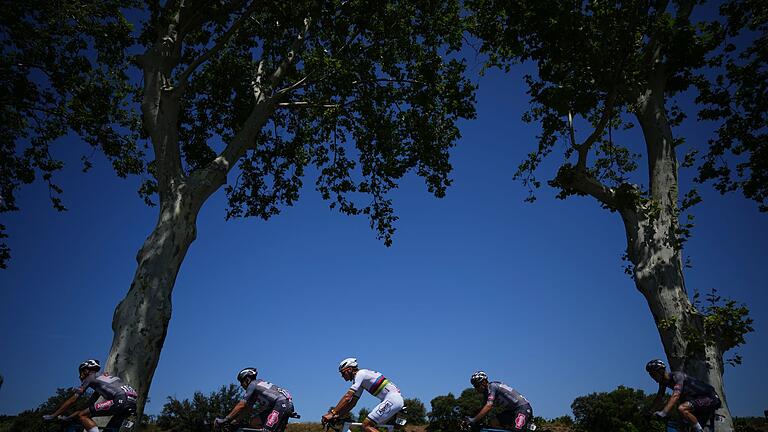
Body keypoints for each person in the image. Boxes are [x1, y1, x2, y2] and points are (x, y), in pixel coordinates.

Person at [42, 359, 137, 432]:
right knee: (110, 424)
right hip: (131, 400)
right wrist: (69, 418)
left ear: (86, 370)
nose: (80, 376)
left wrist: (53, 415)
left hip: (120, 398)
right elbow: (89, 405)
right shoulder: (102, 379)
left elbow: (72, 400)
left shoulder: (90, 378)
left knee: (83, 416)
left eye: (81, 372)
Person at [322, 358, 404, 432]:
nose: (342, 376)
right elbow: (352, 403)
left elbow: (347, 397)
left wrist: (333, 413)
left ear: (350, 370)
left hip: (392, 399)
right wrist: (338, 415)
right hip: (394, 399)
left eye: (343, 373)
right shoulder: (360, 382)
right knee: (372, 427)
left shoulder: (360, 374)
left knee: (366, 425)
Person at [646, 359, 722, 432]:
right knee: (683, 423)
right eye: (651, 375)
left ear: (661, 371)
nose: (652, 377)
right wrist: (649, 412)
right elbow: (659, 398)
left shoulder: (677, 376)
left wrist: (664, 412)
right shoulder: (663, 383)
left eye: (653, 374)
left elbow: (676, 395)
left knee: (682, 408)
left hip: (709, 397)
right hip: (697, 400)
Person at [214, 367, 295, 432]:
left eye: (241, 382)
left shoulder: (252, 385)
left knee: (266, 430)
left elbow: (241, 405)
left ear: (247, 379)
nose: (241, 385)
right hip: (282, 405)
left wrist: (226, 419)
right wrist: (234, 422)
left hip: (281, 404)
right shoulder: (258, 386)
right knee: (254, 422)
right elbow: (247, 409)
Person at [466, 371, 533, 431]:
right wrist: (471, 417)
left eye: (477, 385)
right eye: (474, 386)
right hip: (512, 411)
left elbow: (488, 406)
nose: (476, 388)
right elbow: (482, 409)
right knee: (493, 421)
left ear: (484, 382)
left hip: (522, 408)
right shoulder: (486, 393)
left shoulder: (493, 386)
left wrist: (474, 420)